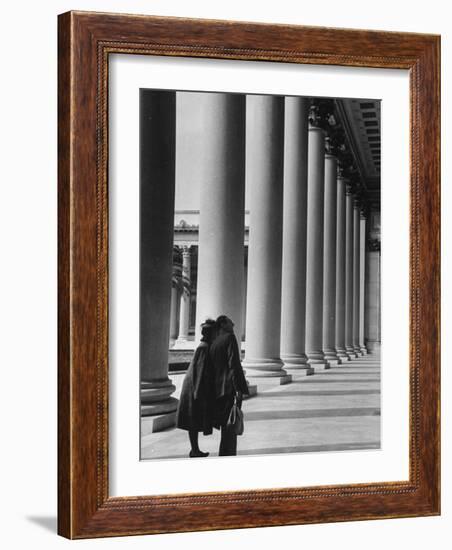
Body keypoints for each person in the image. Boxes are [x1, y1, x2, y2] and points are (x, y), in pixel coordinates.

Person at [175, 319, 216, 458]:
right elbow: (199, 371)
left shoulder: (204, 346)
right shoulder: (204, 348)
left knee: (194, 420)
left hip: (194, 386)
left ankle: (195, 449)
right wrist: (198, 393)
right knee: (193, 419)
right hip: (194, 388)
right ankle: (194, 450)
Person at [210, 315, 249, 456]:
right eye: (230, 322)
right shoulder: (229, 338)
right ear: (223, 324)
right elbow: (234, 365)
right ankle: (229, 456)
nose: (234, 324)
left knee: (225, 427)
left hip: (218, 390)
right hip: (228, 389)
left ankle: (224, 454)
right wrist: (238, 388)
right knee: (231, 426)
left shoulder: (214, 342)